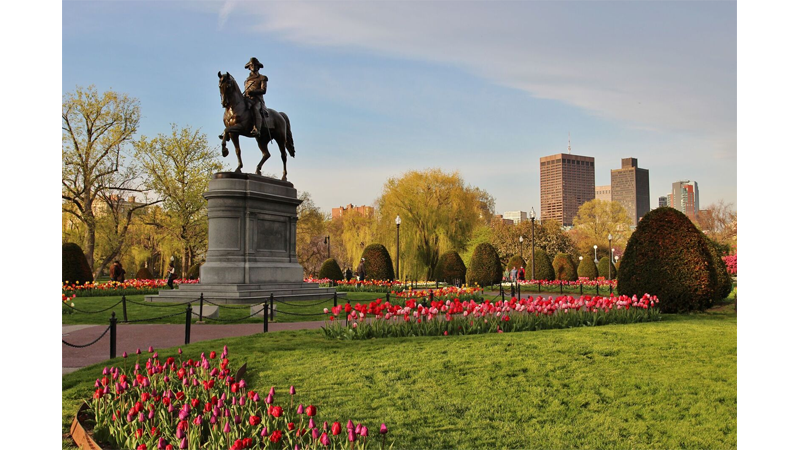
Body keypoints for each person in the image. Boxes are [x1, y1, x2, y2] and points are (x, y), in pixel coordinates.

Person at [244, 57, 269, 139]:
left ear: (258, 67)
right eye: (251, 65)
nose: (253, 67)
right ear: (249, 67)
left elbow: (263, 90)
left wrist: (253, 92)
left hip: (257, 100)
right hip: (248, 99)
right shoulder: (247, 80)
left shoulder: (262, 78)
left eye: (255, 65)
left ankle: (257, 129)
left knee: (255, 108)